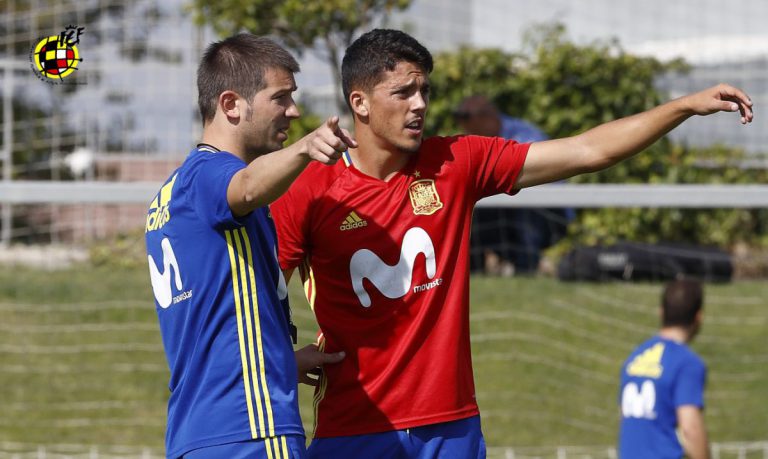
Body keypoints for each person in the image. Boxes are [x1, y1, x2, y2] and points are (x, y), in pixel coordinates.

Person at [271, 28, 751, 458]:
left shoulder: (456, 162)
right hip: (355, 426)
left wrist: (683, 106)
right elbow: (258, 295)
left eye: (425, 90)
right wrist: (281, 361)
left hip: (451, 426)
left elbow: (588, 150)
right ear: (360, 103)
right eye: (403, 92)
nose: (419, 104)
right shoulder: (309, 189)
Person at [144, 33, 352, 459]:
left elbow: (215, 322)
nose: (293, 111)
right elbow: (245, 187)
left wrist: (281, 362)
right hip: (252, 429)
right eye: (281, 98)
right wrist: (305, 149)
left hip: (196, 433)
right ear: (231, 104)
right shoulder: (214, 175)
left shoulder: (167, 197)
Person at [454, 95, 573, 275]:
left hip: (546, 212)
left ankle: (526, 270)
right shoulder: (476, 141)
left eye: (469, 123)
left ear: (487, 116)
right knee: (466, 213)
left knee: (520, 213)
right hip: (503, 207)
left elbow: (543, 181)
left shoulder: (525, 135)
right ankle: (470, 273)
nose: (466, 130)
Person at [618, 279, 709, 459]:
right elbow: (690, 429)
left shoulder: (635, 358)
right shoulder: (686, 362)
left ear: (661, 313)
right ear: (698, 317)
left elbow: (624, 418)